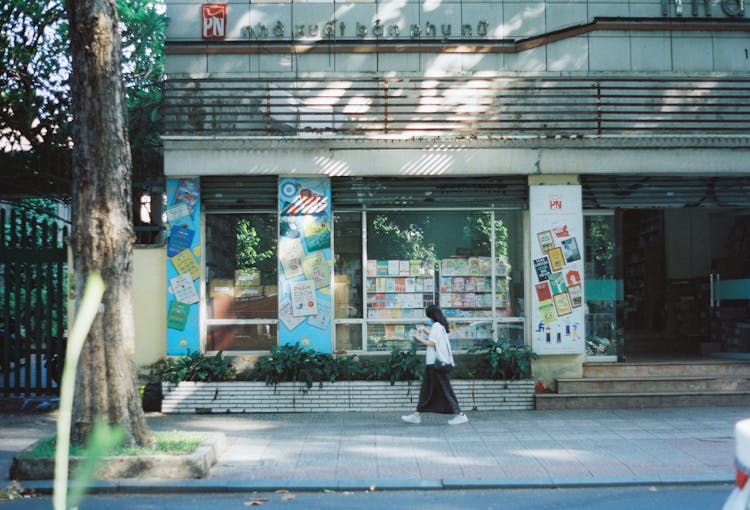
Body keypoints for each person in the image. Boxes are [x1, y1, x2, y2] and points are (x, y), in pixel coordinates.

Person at [401, 304, 468, 426]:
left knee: (445, 391)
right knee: (427, 391)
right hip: (435, 365)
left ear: (431, 315)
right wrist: (425, 329)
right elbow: (434, 337)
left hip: (435, 365)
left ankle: (460, 415)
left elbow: (431, 343)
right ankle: (417, 415)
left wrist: (418, 337)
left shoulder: (437, 326)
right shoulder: (440, 326)